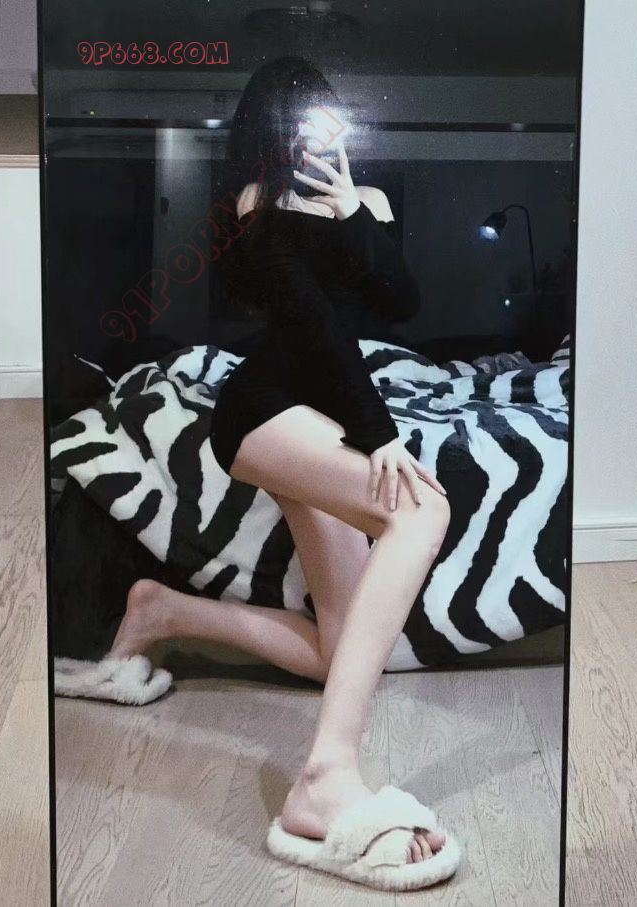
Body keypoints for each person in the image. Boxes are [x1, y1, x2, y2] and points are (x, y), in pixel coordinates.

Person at [107, 56, 459, 888]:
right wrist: (378, 432)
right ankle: (326, 777)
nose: (316, 139)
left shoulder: (365, 203)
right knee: (422, 510)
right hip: (264, 410)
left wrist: (354, 213)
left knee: (342, 649)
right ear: (274, 133)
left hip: (323, 419)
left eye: (326, 121)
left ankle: (162, 609)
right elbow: (306, 320)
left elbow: (403, 303)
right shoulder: (255, 205)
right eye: (299, 125)